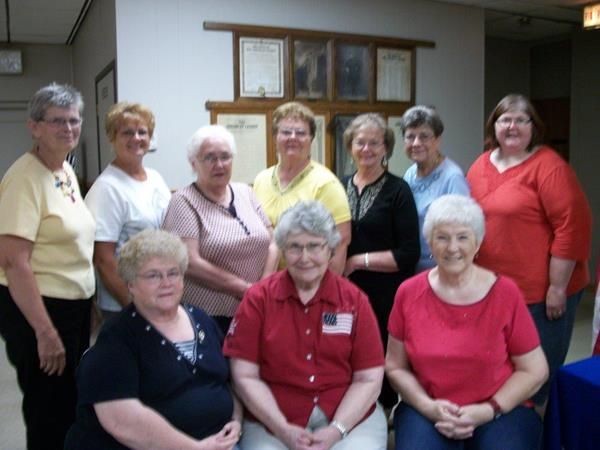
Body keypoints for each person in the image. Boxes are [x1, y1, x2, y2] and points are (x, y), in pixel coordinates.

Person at [386, 194, 548, 450]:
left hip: (499, 408)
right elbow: (395, 366)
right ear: (429, 241)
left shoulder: (505, 293)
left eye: (462, 237)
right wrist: (428, 406)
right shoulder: (408, 293)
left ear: (478, 242)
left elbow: (535, 370)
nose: (452, 248)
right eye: (442, 237)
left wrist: (487, 410)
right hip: (427, 408)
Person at [224, 201, 387, 450]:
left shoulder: (354, 300)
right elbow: (244, 375)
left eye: (314, 246)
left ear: (330, 249)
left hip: (348, 418)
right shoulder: (258, 299)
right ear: (282, 250)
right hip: (273, 419)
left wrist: (336, 430)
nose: (305, 258)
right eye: (294, 247)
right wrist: (281, 428)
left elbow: (368, 378)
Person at [64, 229, 242, 450]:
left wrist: (236, 421)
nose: (166, 283)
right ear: (130, 284)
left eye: (173, 273)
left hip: (219, 442)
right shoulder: (117, 338)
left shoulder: (201, 319)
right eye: (153, 275)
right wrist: (195, 448)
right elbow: (122, 421)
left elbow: (225, 381)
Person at [467, 94, 592, 406]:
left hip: (541, 295)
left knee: (537, 376)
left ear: (533, 127)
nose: (512, 126)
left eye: (521, 120)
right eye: (504, 119)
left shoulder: (549, 167)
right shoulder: (481, 164)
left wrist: (558, 287)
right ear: (493, 125)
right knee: (501, 368)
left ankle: (540, 434)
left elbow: (571, 227)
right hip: (493, 289)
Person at [0, 83, 95, 450]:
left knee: (67, 401)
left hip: (71, 305)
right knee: (48, 410)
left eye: (74, 120)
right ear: (34, 126)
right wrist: (45, 332)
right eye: (57, 121)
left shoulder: (63, 170)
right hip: (39, 309)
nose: (68, 128)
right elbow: (13, 261)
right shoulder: (24, 178)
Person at [162, 125, 278, 335]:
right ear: (193, 163)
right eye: (210, 158)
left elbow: (274, 242)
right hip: (209, 319)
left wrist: (263, 289)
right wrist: (245, 289)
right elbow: (189, 262)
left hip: (257, 309)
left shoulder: (246, 192)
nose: (219, 164)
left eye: (225, 156)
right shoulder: (183, 201)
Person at [341, 113, 420, 410]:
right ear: (351, 145)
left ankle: (383, 412)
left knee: (380, 355)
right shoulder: (339, 185)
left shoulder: (398, 191)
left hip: (385, 293)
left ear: (386, 148)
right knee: (348, 353)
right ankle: (351, 412)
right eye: (360, 142)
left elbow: (408, 254)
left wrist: (357, 262)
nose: (367, 149)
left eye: (375, 143)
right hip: (345, 293)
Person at [85, 102, 171, 321]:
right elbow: (103, 260)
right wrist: (136, 307)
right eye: (127, 133)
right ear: (112, 138)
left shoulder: (156, 178)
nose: (136, 138)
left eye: (142, 132)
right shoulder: (106, 188)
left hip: (160, 295)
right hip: (124, 304)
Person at [253, 101, 351, 274]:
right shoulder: (261, 179)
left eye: (300, 133)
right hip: (266, 282)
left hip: (308, 284)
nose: (293, 137)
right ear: (275, 136)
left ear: (311, 138)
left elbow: (340, 243)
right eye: (285, 132)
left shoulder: (326, 184)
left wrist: (322, 292)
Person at [401, 105, 470, 272]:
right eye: (410, 137)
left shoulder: (452, 178)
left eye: (424, 136)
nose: (416, 143)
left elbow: (463, 232)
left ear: (438, 139)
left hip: (441, 269)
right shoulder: (410, 174)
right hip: (411, 267)